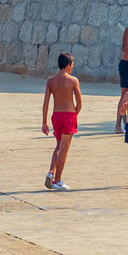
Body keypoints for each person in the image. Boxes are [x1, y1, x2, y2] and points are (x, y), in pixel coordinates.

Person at [42, 52, 83, 189]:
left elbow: (46, 103)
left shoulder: (51, 80)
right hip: (68, 115)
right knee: (64, 149)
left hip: (56, 116)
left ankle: (51, 172)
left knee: (58, 146)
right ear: (68, 65)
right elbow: (79, 102)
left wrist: (44, 122)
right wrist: (74, 115)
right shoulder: (73, 80)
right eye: (72, 65)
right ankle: (58, 180)